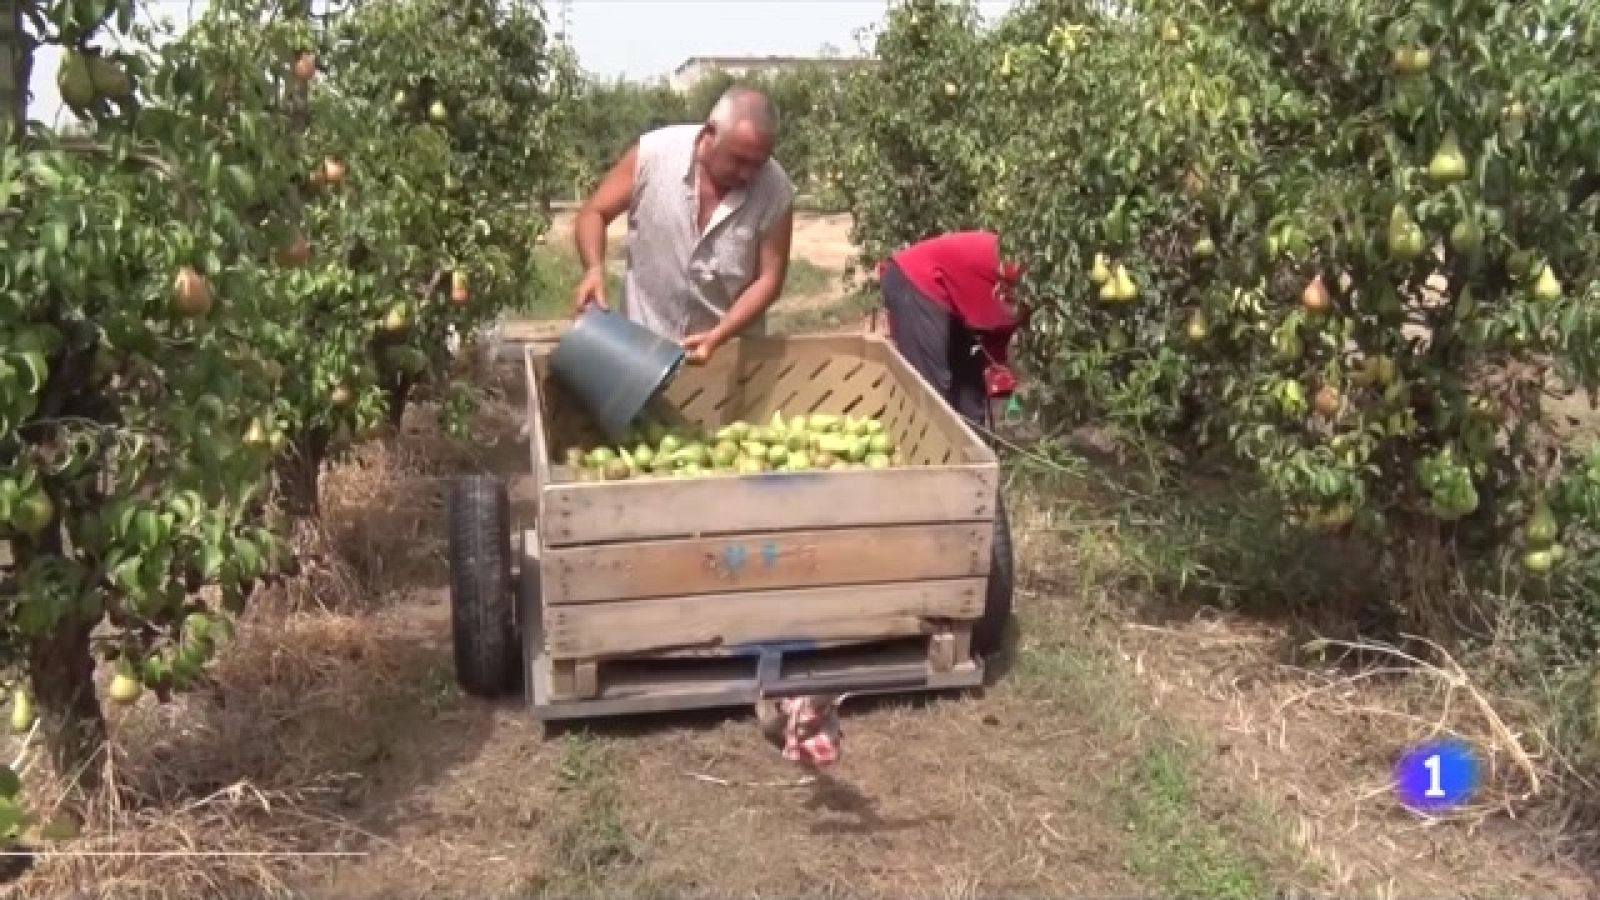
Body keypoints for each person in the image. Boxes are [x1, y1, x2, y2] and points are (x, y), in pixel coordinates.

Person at [873, 230, 1026, 660]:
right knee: (935, 397)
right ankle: (926, 501)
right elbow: (995, 322)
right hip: (917, 281)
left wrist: (1000, 388)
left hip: (953, 295)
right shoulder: (1029, 267)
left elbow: (993, 346)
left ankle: (969, 479)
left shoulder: (1040, 273)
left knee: (970, 405)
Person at [571, 86, 796, 365]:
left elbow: (769, 280)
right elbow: (594, 212)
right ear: (709, 133)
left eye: (757, 164)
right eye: (739, 160)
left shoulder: (775, 190)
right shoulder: (653, 156)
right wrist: (593, 269)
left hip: (725, 360)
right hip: (640, 353)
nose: (747, 174)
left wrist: (719, 335)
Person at [873, 230, 1027, 432]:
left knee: (969, 385)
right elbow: (996, 316)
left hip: (951, 295)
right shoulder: (1021, 266)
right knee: (930, 383)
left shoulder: (1028, 265)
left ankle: (974, 452)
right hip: (916, 281)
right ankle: (929, 451)